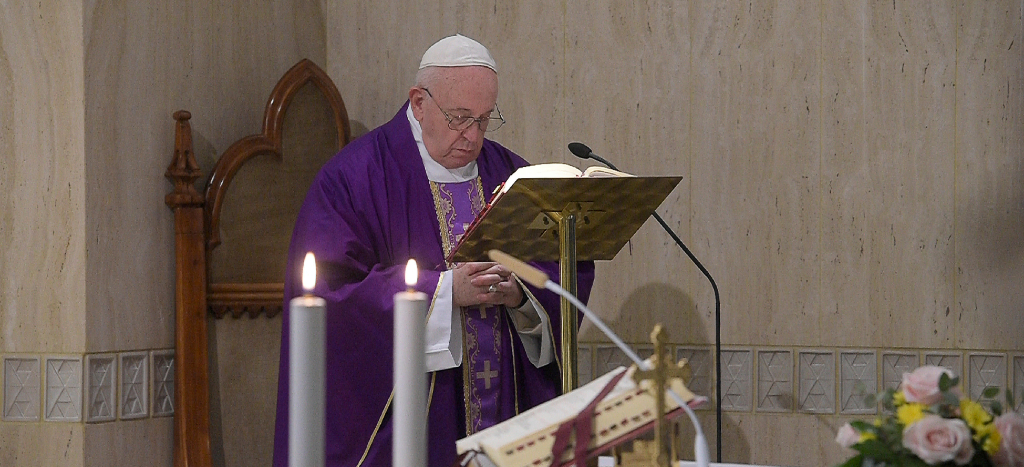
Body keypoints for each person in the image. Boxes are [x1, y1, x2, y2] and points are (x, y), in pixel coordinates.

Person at [272, 34, 595, 467]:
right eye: (459, 118)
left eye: (484, 120)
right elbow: (329, 295)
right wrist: (443, 292)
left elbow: (564, 268)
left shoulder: (513, 176)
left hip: (506, 415)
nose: (472, 135)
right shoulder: (354, 179)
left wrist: (521, 295)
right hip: (419, 432)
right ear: (419, 102)